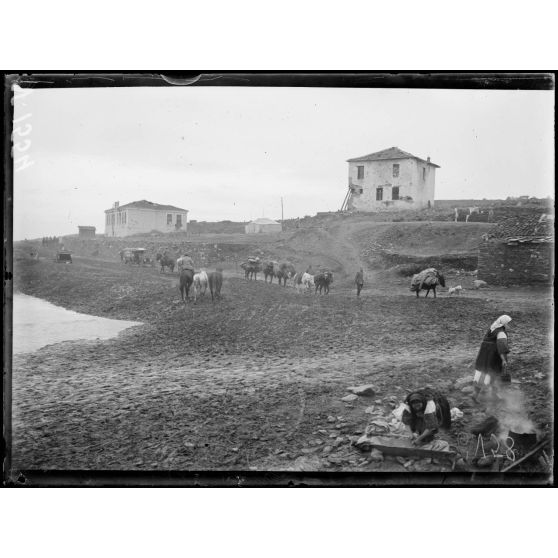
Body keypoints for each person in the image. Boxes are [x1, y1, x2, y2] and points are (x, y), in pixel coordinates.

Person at [472, 315, 512, 403]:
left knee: (481, 373)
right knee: (493, 374)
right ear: (503, 323)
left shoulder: (492, 328)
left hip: (483, 355)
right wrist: (504, 360)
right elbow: (502, 348)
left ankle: (475, 394)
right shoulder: (501, 333)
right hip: (492, 356)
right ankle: (492, 395)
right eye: (508, 323)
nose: (509, 325)